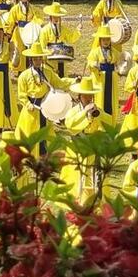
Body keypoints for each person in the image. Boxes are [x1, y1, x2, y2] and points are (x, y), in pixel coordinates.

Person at [15, 44, 71, 156]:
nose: (38, 60)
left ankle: (44, 152)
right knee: (29, 131)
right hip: (31, 108)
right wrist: (28, 104)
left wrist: (73, 81)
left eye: (40, 58)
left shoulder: (48, 72)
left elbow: (59, 83)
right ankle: (29, 154)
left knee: (45, 130)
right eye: (35, 58)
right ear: (31, 59)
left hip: (45, 106)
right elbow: (21, 94)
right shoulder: (24, 76)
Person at [59, 76, 104, 206]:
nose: (89, 99)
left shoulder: (96, 110)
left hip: (92, 149)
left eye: (90, 96)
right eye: (85, 96)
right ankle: (75, 200)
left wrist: (98, 114)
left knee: (93, 176)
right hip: (77, 149)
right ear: (79, 96)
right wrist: (84, 113)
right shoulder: (73, 111)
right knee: (76, 177)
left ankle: (93, 200)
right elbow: (70, 126)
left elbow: (109, 122)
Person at [86, 24, 122, 125]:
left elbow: (120, 61)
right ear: (100, 40)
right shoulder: (95, 52)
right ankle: (99, 121)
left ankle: (111, 121)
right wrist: (95, 65)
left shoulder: (114, 52)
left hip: (111, 79)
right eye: (104, 40)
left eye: (108, 39)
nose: (106, 42)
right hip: (100, 80)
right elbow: (90, 62)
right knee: (100, 100)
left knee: (111, 100)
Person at [39, 1, 81, 77]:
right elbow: (42, 46)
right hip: (50, 58)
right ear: (50, 16)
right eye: (54, 16)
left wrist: (78, 30)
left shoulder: (63, 29)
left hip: (61, 56)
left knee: (62, 76)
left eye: (58, 16)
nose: (56, 19)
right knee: (51, 76)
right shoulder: (44, 30)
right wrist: (43, 58)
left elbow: (71, 38)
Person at [4, 0, 38, 74]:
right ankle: (20, 70)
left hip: (30, 31)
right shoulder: (15, 9)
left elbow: (38, 18)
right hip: (19, 32)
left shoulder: (32, 8)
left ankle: (31, 68)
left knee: (30, 49)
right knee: (19, 50)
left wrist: (35, 25)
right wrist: (8, 32)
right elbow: (10, 21)